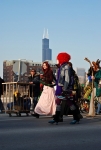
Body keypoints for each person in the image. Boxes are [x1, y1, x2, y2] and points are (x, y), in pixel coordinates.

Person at [48, 52, 81, 124]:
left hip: (64, 88)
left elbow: (67, 79)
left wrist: (65, 89)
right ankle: (57, 118)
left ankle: (75, 117)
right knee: (61, 102)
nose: (57, 60)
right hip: (62, 87)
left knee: (68, 102)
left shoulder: (65, 67)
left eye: (58, 58)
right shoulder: (62, 67)